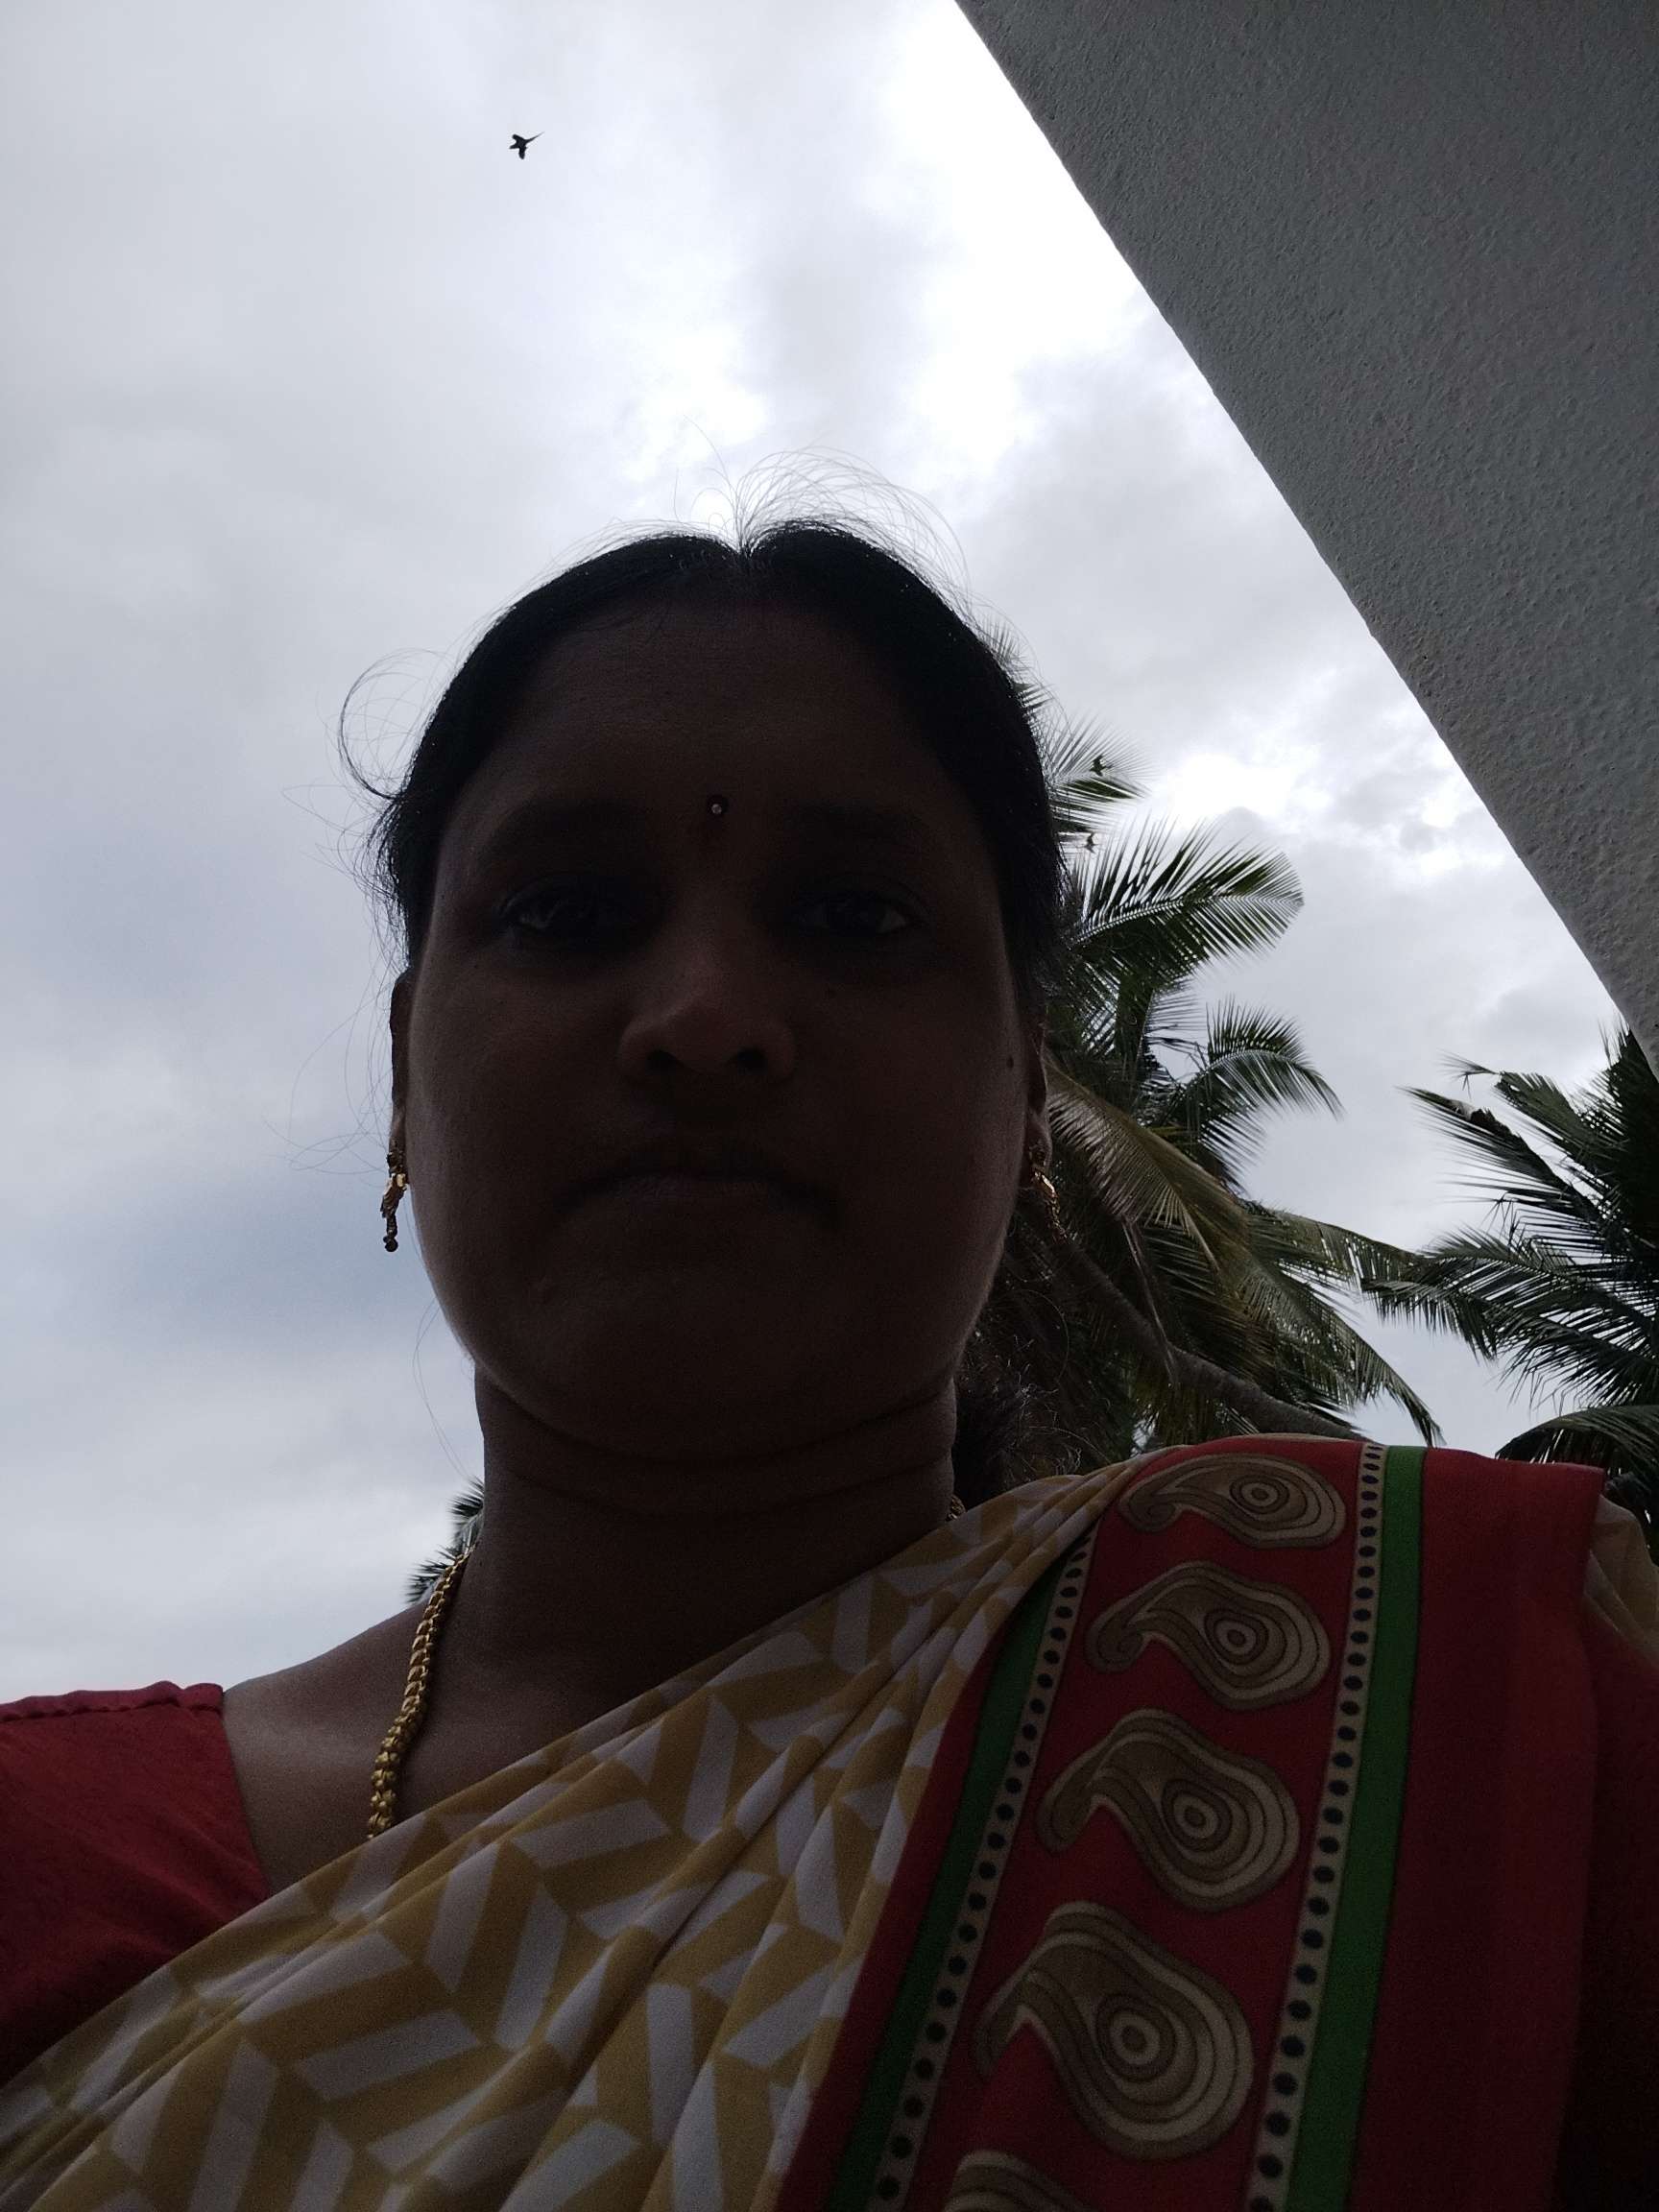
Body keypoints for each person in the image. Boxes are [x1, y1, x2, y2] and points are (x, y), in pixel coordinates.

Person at [3, 517, 1657, 2210]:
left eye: (853, 916)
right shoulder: (37, 1849)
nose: (706, 1016)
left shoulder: (1445, 1711)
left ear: (1028, 1091)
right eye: (570, 911)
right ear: (406, 1071)